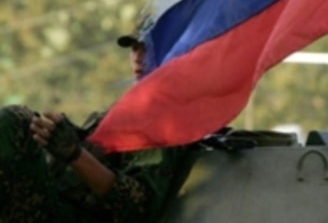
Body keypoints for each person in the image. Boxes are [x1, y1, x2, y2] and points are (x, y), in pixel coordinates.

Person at [0, 17, 195, 222]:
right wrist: (63, 138)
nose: (138, 57)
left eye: (148, 47)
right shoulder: (126, 111)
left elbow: (139, 208)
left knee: (15, 122)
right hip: (53, 200)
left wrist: (75, 154)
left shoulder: (164, 120)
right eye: (134, 48)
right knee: (27, 126)